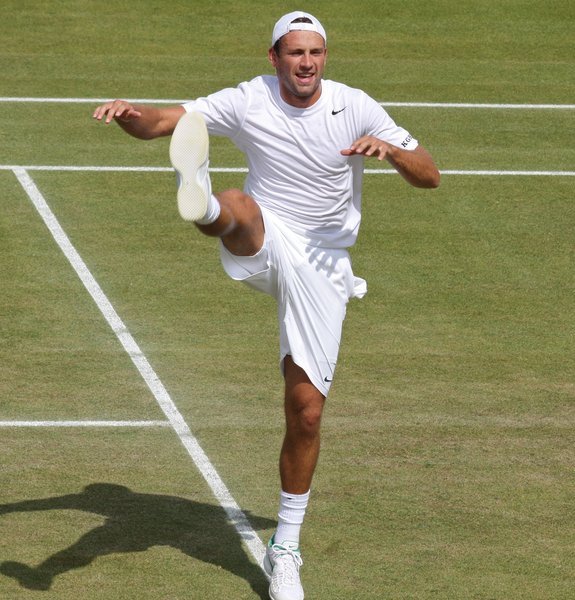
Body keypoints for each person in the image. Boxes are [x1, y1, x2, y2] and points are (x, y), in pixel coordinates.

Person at [93, 10, 439, 600]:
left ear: (324, 57)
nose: (306, 62)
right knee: (236, 204)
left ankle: (286, 550)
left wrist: (389, 150)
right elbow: (163, 124)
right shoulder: (249, 99)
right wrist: (130, 116)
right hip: (270, 233)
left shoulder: (356, 105)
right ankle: (202, 205)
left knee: (305, 411)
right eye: (294, 53)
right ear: (274, 57)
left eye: (315, 53)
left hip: (325, 265)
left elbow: (429, 174)